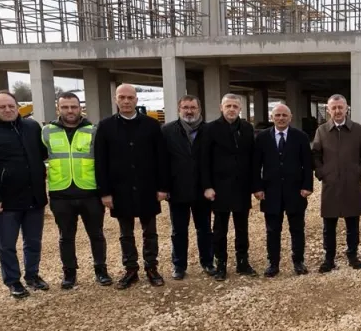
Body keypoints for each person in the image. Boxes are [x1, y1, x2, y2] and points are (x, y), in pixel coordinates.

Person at [0, 91, 49, 299]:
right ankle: (13, 281)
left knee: (33, 241)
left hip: (34, 196)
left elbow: (41, 155)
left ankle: (32, 275)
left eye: (11, 106)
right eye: (2, 107)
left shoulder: (32, 127)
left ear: (17, 106)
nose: (7, 110)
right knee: (7, 244)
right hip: (6, 201)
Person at [94, 84, 170, 289]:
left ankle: (151, 267)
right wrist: (105, 192)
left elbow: (161, 158)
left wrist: (163, 187)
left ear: (136, 100)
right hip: (120, 189)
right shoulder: (105, 126)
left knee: (150, 232)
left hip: (147, 187)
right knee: (125, 233)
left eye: (130, 97)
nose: (126, 101)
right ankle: (131, 269)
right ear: (116, 99)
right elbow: (100, 161)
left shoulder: (152, 125)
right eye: (122, 97)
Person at [43, 92, 111, 289]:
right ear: (58, 109)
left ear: (80, 108)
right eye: (65, 107)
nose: (70, 111)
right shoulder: (47, 132)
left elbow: (102, 162)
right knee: (66, 237)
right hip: (61, 193)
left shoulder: (93, 131)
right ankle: (69, 273)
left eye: (73, 106)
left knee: (96, 234)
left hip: (89, 192)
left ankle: (101, 270)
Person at [311, 94, 361, 272]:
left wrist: (360, 172)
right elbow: (315, 154)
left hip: (351, 184)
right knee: (328, 225)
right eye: (334, 108)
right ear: (328, 110)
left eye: (341, 107)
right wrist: (322, 172)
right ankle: (329, 259)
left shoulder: (358, 130)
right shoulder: (322, 131)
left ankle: (353, 256)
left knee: (352, 224)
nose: (337, 111)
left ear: (347, 109)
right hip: (330, 185)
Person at [199, 93, 258, 280]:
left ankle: (243, 262)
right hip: (219, 187)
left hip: (242, 187)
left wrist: (255, 185)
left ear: (240, 108)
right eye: (228, 106)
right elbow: (204, 160)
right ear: (221, 108)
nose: (231, 109)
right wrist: (207, 186)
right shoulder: (210, 129)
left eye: (235, 106)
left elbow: (253, 159)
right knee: (219, 229)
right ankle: (221, 264)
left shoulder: (247, 128)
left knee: (242, 228)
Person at [254, 103, 314, 276]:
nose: (281, 118)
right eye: (277, 115)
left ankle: (298, 262)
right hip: (270, 192)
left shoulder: (301, 137)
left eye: (284, 115)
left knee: (297, 229)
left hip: (295, 191)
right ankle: (273, 263)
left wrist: (307, 186)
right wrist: (257, 187)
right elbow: (255, 165)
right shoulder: (262, 137)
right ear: (272, 117)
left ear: (290, 117)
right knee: (272, 230)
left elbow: (307, 164)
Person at [163, 94, 214, 280]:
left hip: (203, 189)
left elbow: (214, 161)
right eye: (185, 107)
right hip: (177, 189)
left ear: (199, 109)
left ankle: (208, 262)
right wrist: (164, 187)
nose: (189, 111)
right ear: (179, 109)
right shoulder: (167, 131)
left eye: (193, 107)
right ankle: (179, 265)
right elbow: (162, 162)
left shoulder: (209, 131)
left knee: (205, 229)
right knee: (179, 231)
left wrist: (211, 186)